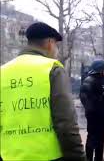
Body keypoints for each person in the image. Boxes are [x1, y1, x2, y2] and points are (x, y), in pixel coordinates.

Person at [0, 22, 85, 161]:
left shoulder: (3, 72)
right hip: (48, 156)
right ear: (50, 43)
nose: (56, 50)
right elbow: (66, 123)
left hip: (9, 156)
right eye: (56, 46)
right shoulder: (52, 69)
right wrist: (77, 156)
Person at [80, 59, 104, 161]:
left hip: (101, 114)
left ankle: (98, 157)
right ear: (99, 69)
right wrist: (94, 108)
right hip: (93, 115)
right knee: (92, 137)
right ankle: (89, 158)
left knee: (101, 137)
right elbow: (85, 98)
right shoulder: (89, 80)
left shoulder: (103, 79)